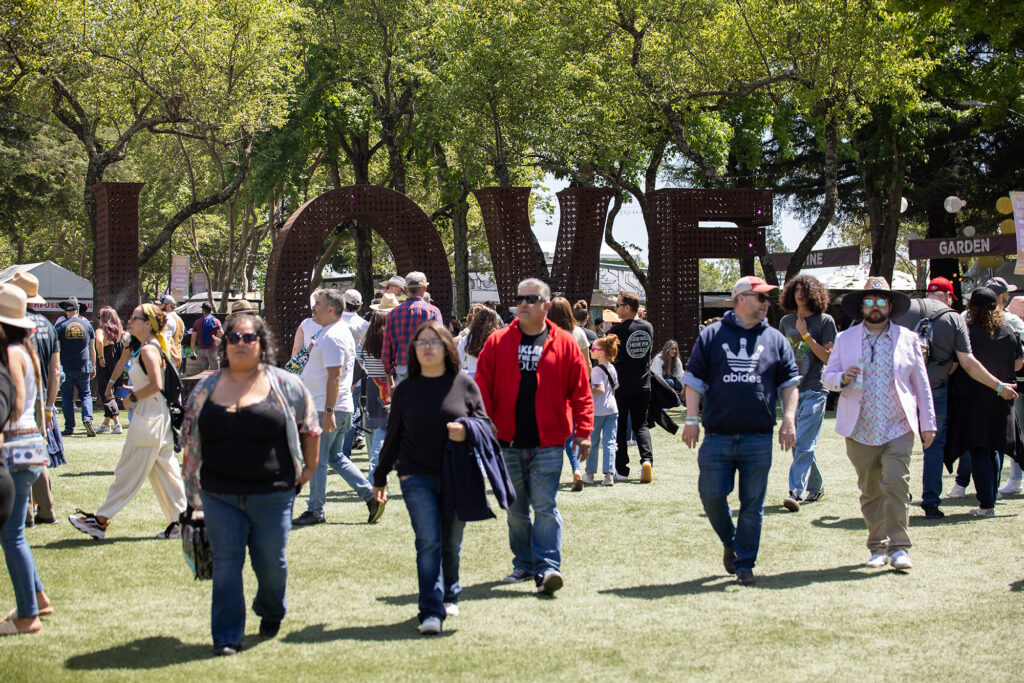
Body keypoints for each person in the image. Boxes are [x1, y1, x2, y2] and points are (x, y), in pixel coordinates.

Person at [180, 313, 320, 655]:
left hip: (273, 492)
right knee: (227, 563)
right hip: (219, 493)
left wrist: (309, 469)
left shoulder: (285, 384)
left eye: (248, 338)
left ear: (262, 343)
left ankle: (272, 609)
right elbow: (189, 437)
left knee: (271, 563)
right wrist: (192, 487)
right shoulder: (206, 387)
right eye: (234, 338)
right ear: (224, 344)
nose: (241, 344)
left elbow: (310, 427)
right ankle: (227, 635)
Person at [475, 278, 593, 594]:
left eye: (531, 298)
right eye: (519, 298)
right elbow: (482, 384)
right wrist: (484, 423)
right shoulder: (498, 341)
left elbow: (581, 391)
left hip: (550, 441)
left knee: (545, 506)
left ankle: (548, 568)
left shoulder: (565, 343)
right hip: (507, 441)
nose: (523, 303)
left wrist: (584, 431)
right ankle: (524, 565)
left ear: (545, 305)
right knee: (515, 510)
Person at [372, 322, 491, 634]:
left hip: (458, 473)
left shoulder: (464, 383)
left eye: (434, 342)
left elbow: (485, 425)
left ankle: (450, 592)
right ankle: (430, 611)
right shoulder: (406, 390)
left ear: (447, 348)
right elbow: (393, 435)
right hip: (416, 475)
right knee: (428, 542)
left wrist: (467, 429)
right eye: (420, 342)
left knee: (451, 542)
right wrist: (380, 475)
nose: (426, 347)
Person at [682, 276, 799, 586]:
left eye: (766, 299)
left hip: (758, 437)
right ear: (741, 299)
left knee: (753, 504)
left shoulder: (775, 339)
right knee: (710, 495)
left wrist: (789, 419)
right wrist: (691, 419)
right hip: (717, 435)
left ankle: (745, 563)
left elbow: (789, 384)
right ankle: (731, 542)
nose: (766, 303)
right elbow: (693, 380)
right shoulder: (712, 335)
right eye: (760, 297)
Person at [823, 277, 935, 570]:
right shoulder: (844, 339)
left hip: (898, 426)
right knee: (871, 490)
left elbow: (921, 384)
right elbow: (828, 376)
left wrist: (928, 423)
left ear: (891, 306)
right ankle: (877, 547)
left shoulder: (908, 338)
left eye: (881, 301)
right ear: (861, 307)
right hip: (859, 427)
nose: (875, 307)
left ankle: (899, 547)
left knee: (896, 485)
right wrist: (842, 378)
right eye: (869, 301)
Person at [892, 276, 1015, 519]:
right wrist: (999, 386)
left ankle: (897, 493)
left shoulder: (905, 311)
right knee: (936, 447)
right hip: (937, 389)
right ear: (949, 296)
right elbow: (965, 363)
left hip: (899, 389)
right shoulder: (955, 319)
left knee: (895, 444)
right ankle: (931, 502)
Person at [68, 304, 187, 540]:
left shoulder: (148, 350)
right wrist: (134, 392)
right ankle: (182, 522)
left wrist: (132, 397)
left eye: (135, 318)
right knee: (167, 472)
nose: (129, 322)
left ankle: (100, 521)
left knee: (128, 471)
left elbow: (156, 385)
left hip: (149, 417)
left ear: (147, 324)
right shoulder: (149, 347)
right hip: (154, 415)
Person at [292, 289, 383, 526]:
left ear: (331, 309)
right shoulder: (333, 331)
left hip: (327, 407)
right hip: (333, 405)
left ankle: (315, 510)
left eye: (318, 305)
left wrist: (329, 412)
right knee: (335, 456)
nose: (313, 308)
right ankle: (370, 496)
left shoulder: (333, 335)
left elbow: (335, 375)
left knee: (319, 460)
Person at [943, 287, 1024, 517]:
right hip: (1003, 398)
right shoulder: (1009, 331)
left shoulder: (966, 333)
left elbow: (957, 366)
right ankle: (992, 500)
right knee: (995, 450)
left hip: (974, 400)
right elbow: (1018, 364)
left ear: (972, 308)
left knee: (980, 450)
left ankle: (986, 505)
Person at [0, 284, 52, 636]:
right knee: (14, 533)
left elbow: (13, 402)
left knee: (12, 535)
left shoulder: (11, 354)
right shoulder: (26, 349)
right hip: (31, 446)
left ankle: (28, 615)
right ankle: (37, 598)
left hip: (16, 448)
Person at [777, 275, 837, 512]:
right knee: (798, 442)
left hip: (815, 390)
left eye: (805, 289)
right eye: (796, 289)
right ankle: (817, 485)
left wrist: (805, 335)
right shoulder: (785, 321)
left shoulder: (825, 321)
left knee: (803, 442)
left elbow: (828, 358)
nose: (800, 293)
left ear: (815, 293)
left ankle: (795, 492)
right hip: (792, 392)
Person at [11, 272, 62, 525]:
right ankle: (46, 509)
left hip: (15, 395)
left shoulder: (12, 323)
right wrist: (50, 405)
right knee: (37, 449)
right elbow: (55, 371)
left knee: (18, 449)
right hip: (40, 397)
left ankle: (28, 512)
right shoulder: (48, 325)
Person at [608, 291, 655, 482]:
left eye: (618, 305)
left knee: (620, 429)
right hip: (644, 384)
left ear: (627, 307)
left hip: (622, 386)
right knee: (641, 426)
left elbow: (611, 358)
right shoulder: (648, 327)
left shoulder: (616, 331)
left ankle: (621, 469)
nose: (615, 308)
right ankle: (647, 461)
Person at [549, 297, 591, 491]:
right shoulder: (578, 333)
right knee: (571, 434)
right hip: (574, 389)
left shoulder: (546, 334)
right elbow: (587, 364)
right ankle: (576, 470)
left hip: (552, 391)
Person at [382, 272, 442, 384]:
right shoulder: (433, 312)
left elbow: (386, 349)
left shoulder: (393, 314)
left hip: (402, 370)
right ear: (424, 289)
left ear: (405, 289)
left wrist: (389, 380)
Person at [360, 304, 396, 479]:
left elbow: (358, 357)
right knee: (383, 429)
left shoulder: (366, 341)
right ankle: (377, 471)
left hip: (372, 384)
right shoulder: (389, 339)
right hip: (388, 383)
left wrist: (367, 368)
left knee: (374, 427)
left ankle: (376, 466)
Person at [54, 297, 97, 437]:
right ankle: (87, 418)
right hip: (83, 365)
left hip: (66, 365)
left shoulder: (60, 326)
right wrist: (93, 365)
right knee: (85, 394)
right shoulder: (87, 325)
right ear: (77, 310)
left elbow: (56, 349)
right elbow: (92, 349)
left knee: (66, 397)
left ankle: (69, 428)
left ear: (66, 311)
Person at [584, 334, 620, 486]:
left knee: (593, 442)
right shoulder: (612, 368)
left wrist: (584, 389)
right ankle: (609, 475)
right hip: (612, 409)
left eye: (593, 349)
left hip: (597, 411)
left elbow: (598, 389)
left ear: (601, 353)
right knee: (610, 442)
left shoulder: (597, 370)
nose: (591, 351)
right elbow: (613, 389)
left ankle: (590, 474)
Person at [94, 306, 128, 434]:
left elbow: (99, 341)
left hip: (105, 363)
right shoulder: (118, 332)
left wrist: (101, 357)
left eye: (100, 317)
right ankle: (106, 424)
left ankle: (117, 423)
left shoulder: (100, 331)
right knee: (111, 389)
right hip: (116, 364)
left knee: (106, 392)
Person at [457, 305, 500, 378]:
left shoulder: (467, 339)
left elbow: (456, 364)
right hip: (492, 378)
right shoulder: (497, 339)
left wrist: (466, 374)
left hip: (472, 378)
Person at [190, 302, 223, 371]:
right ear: (211, 310)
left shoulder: (197, 322)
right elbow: (221, 334)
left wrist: (192, 352)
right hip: (212, 349)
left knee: (204, 373)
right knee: (215, 373)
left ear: (203, 310)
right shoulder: (216, 321)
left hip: (201, 350)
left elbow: (193, 338)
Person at [290, 294, 323, 358]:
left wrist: (293, 365)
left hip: (309, 365)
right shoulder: (337, 324)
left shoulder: (306, 323)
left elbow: (296, 349)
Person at [156, 295, 185, 367]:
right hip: (177, 357)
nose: (158, 307)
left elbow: (164, 340)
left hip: (168, 359)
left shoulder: (167, 318)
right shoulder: (179, 319)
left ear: (168, 306)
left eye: (161, 305)